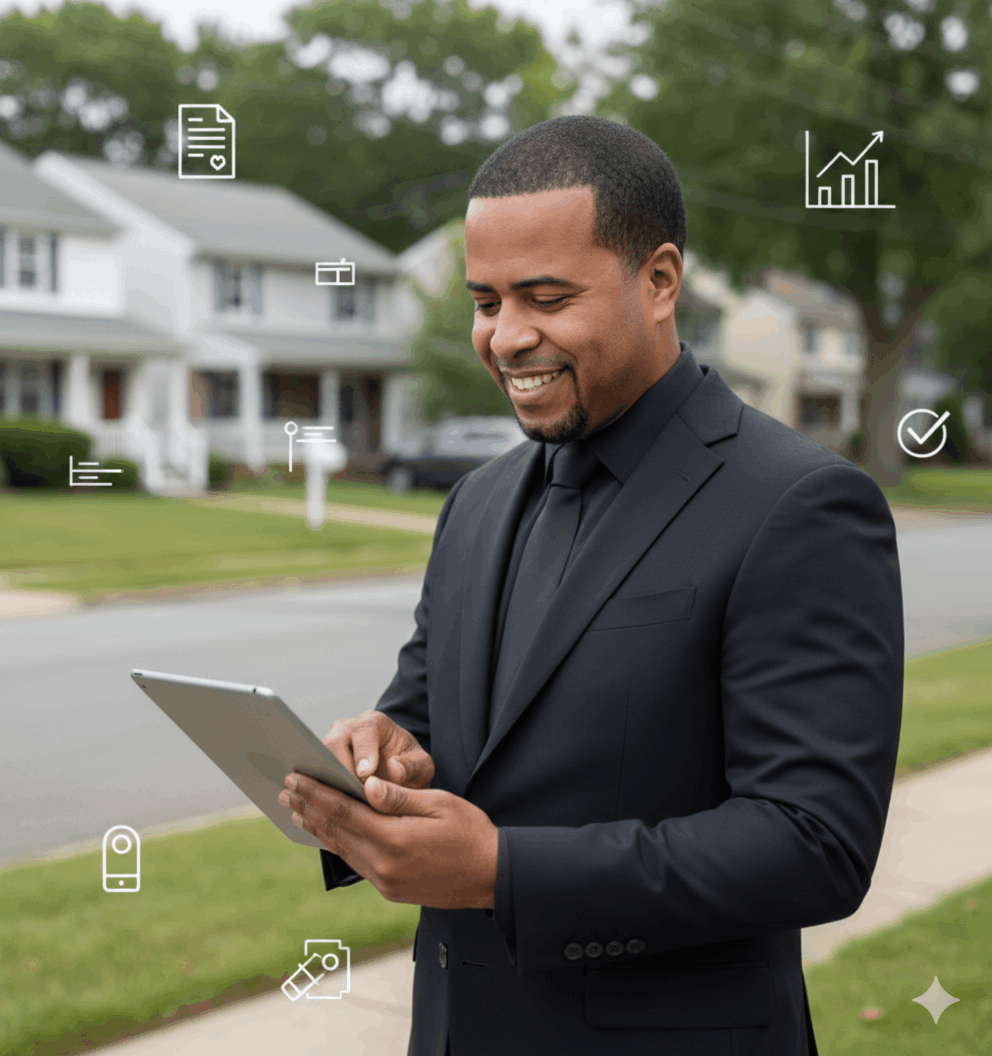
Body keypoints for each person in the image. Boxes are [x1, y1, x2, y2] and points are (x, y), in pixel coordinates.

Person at [278, 115, 904, 1056]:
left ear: (659, 280)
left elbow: (813, 844)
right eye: (485, 302)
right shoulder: (476, 505)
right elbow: (432, 732)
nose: (507, 336)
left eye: (546, 297)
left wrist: (502, 870)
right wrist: (382, 759)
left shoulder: (801, 504)